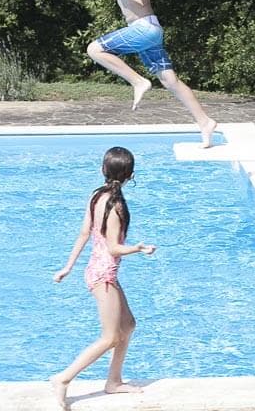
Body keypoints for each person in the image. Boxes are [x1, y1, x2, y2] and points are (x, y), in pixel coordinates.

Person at [62, 0, 218, 146]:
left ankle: (138, 82)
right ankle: (205, 122)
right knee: (170, 81)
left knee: (94, 49)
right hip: (148, 32)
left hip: (143, 28)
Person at [50, 146, 156, 410]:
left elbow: (83, 233)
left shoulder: (96, 196)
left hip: (98, 270)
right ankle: (63, 379)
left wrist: (68, 267)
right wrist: (138, 248)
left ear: (103, 170)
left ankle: (114, 381)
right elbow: (113, 248)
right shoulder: (116, 205)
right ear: (131, 175)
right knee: (110, 337)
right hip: (104, 275)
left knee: (128, 325)